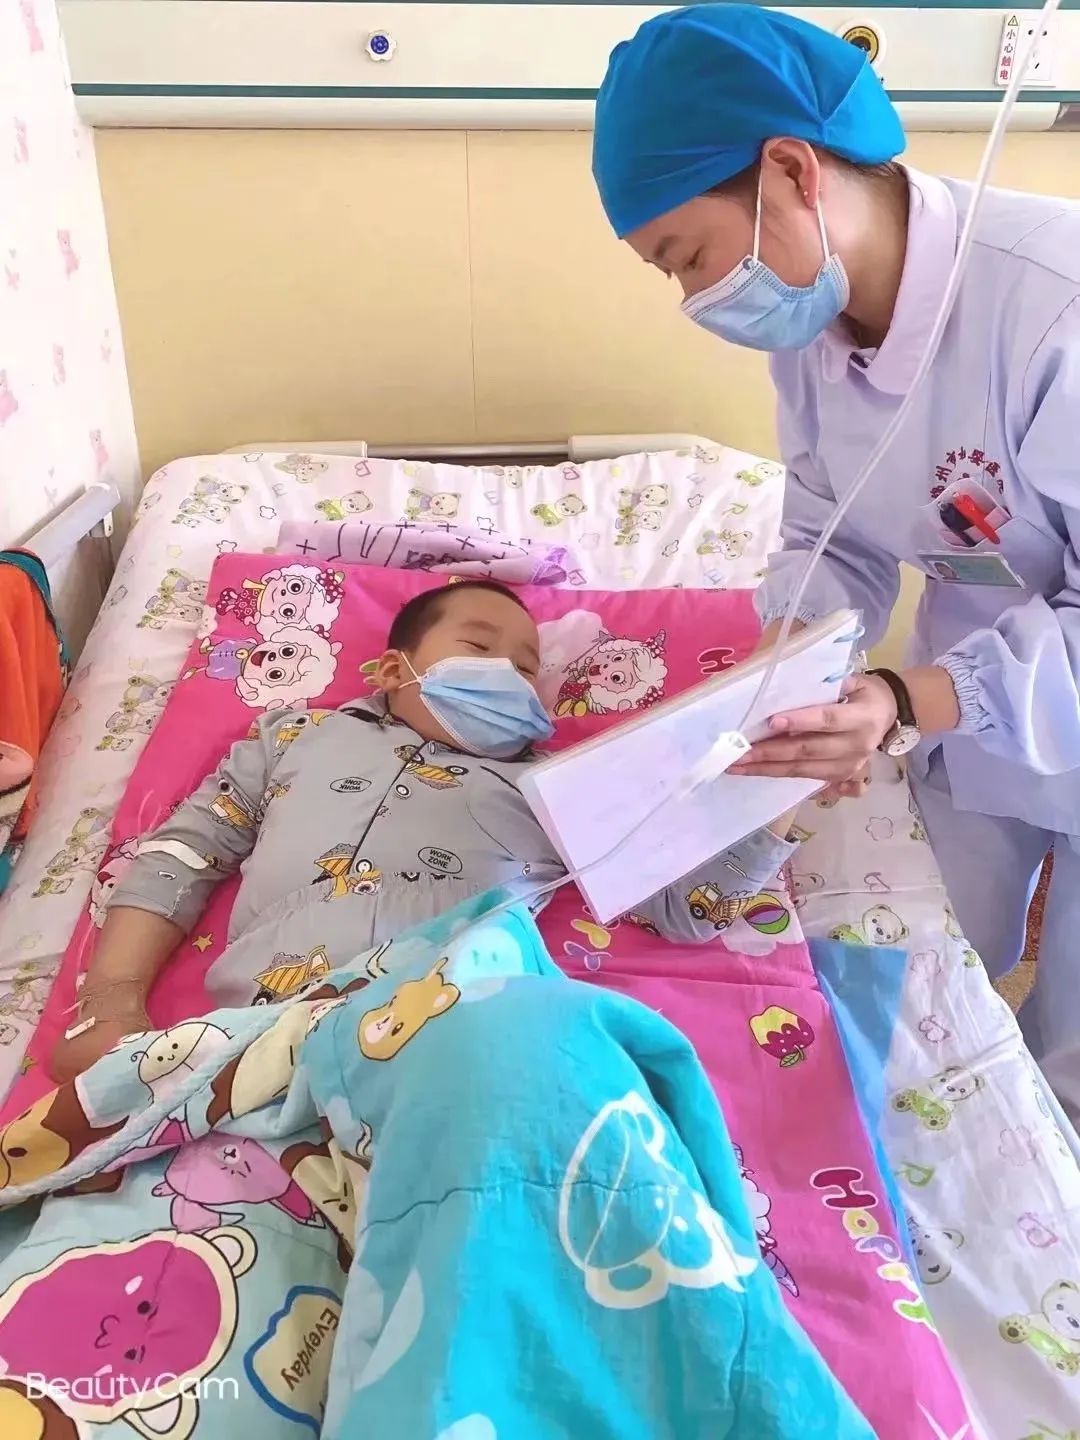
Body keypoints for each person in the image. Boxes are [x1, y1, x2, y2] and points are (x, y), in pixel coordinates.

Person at [592, 4, 1080, 1119]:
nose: (695, 299)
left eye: (689, 257)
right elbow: (832, 528)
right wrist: (796, 662)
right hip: (972, 690)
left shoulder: (1056, 307)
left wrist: (906, 698)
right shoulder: (817, 331)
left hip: (987, 679)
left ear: (791, 170)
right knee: (917, 997)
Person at [52, 578, 797, 1079]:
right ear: (391, 671)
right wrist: (112, 998)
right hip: (265, 1033)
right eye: (478, 647)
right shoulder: (295, 737)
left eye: (526, 668)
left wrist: (787, 766)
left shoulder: (558, 786)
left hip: (461, 1031)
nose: (506, 672)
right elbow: (184, 852)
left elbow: (689, 907)